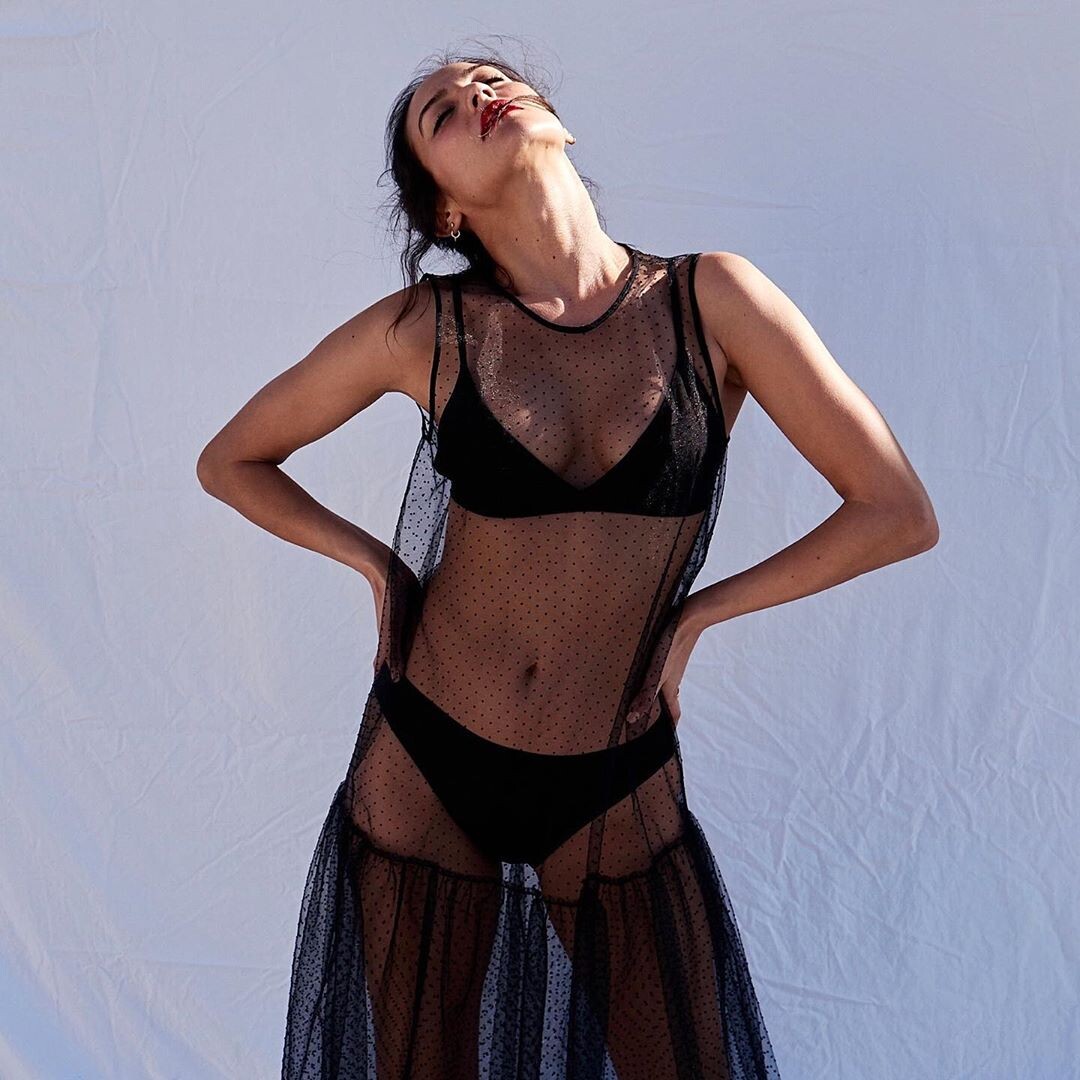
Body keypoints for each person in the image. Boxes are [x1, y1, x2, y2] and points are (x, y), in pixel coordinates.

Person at [197, 49, 938, 1080]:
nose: (478, 93)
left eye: (491, 79)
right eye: (442, 112)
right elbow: (231, 460)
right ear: (444, 208)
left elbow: (896, 512)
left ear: (560, 124)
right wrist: (378, 567)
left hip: (614, 769)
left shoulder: (712, 300)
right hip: (427, 758)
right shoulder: (428, 329)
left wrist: (695, 615)